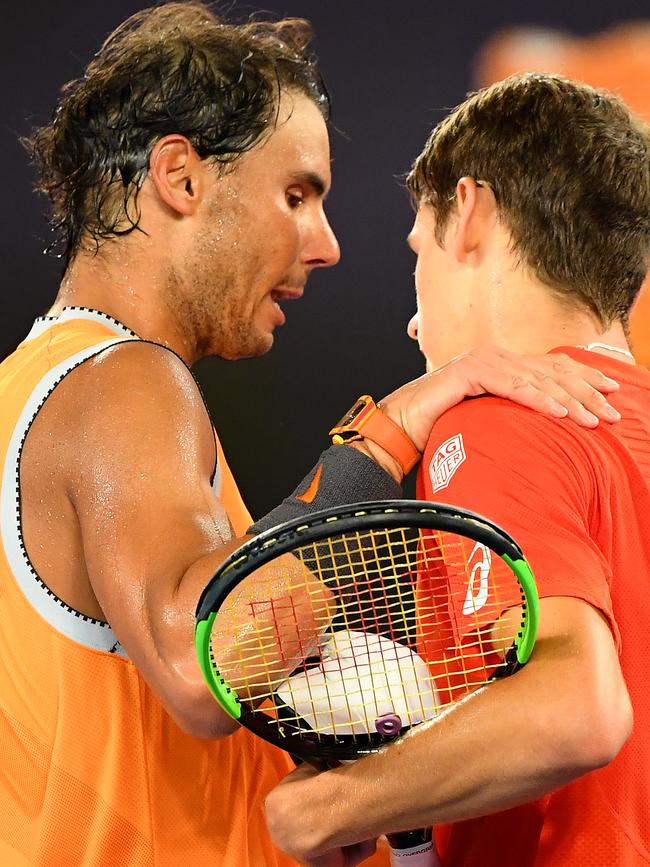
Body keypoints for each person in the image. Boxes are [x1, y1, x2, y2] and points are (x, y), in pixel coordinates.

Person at [0, 5, 623, 864]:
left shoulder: (40, 388)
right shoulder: (121, 381)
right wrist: (389, 431)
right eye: (296, 195)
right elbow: (200, 665)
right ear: (180, 178)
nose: (327, 244)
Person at [264, 74, 650, 866]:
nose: (412, 319)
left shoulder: (500, 422)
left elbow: (579, 708)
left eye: (419, 252)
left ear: (468, 212)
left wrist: (324, 806)